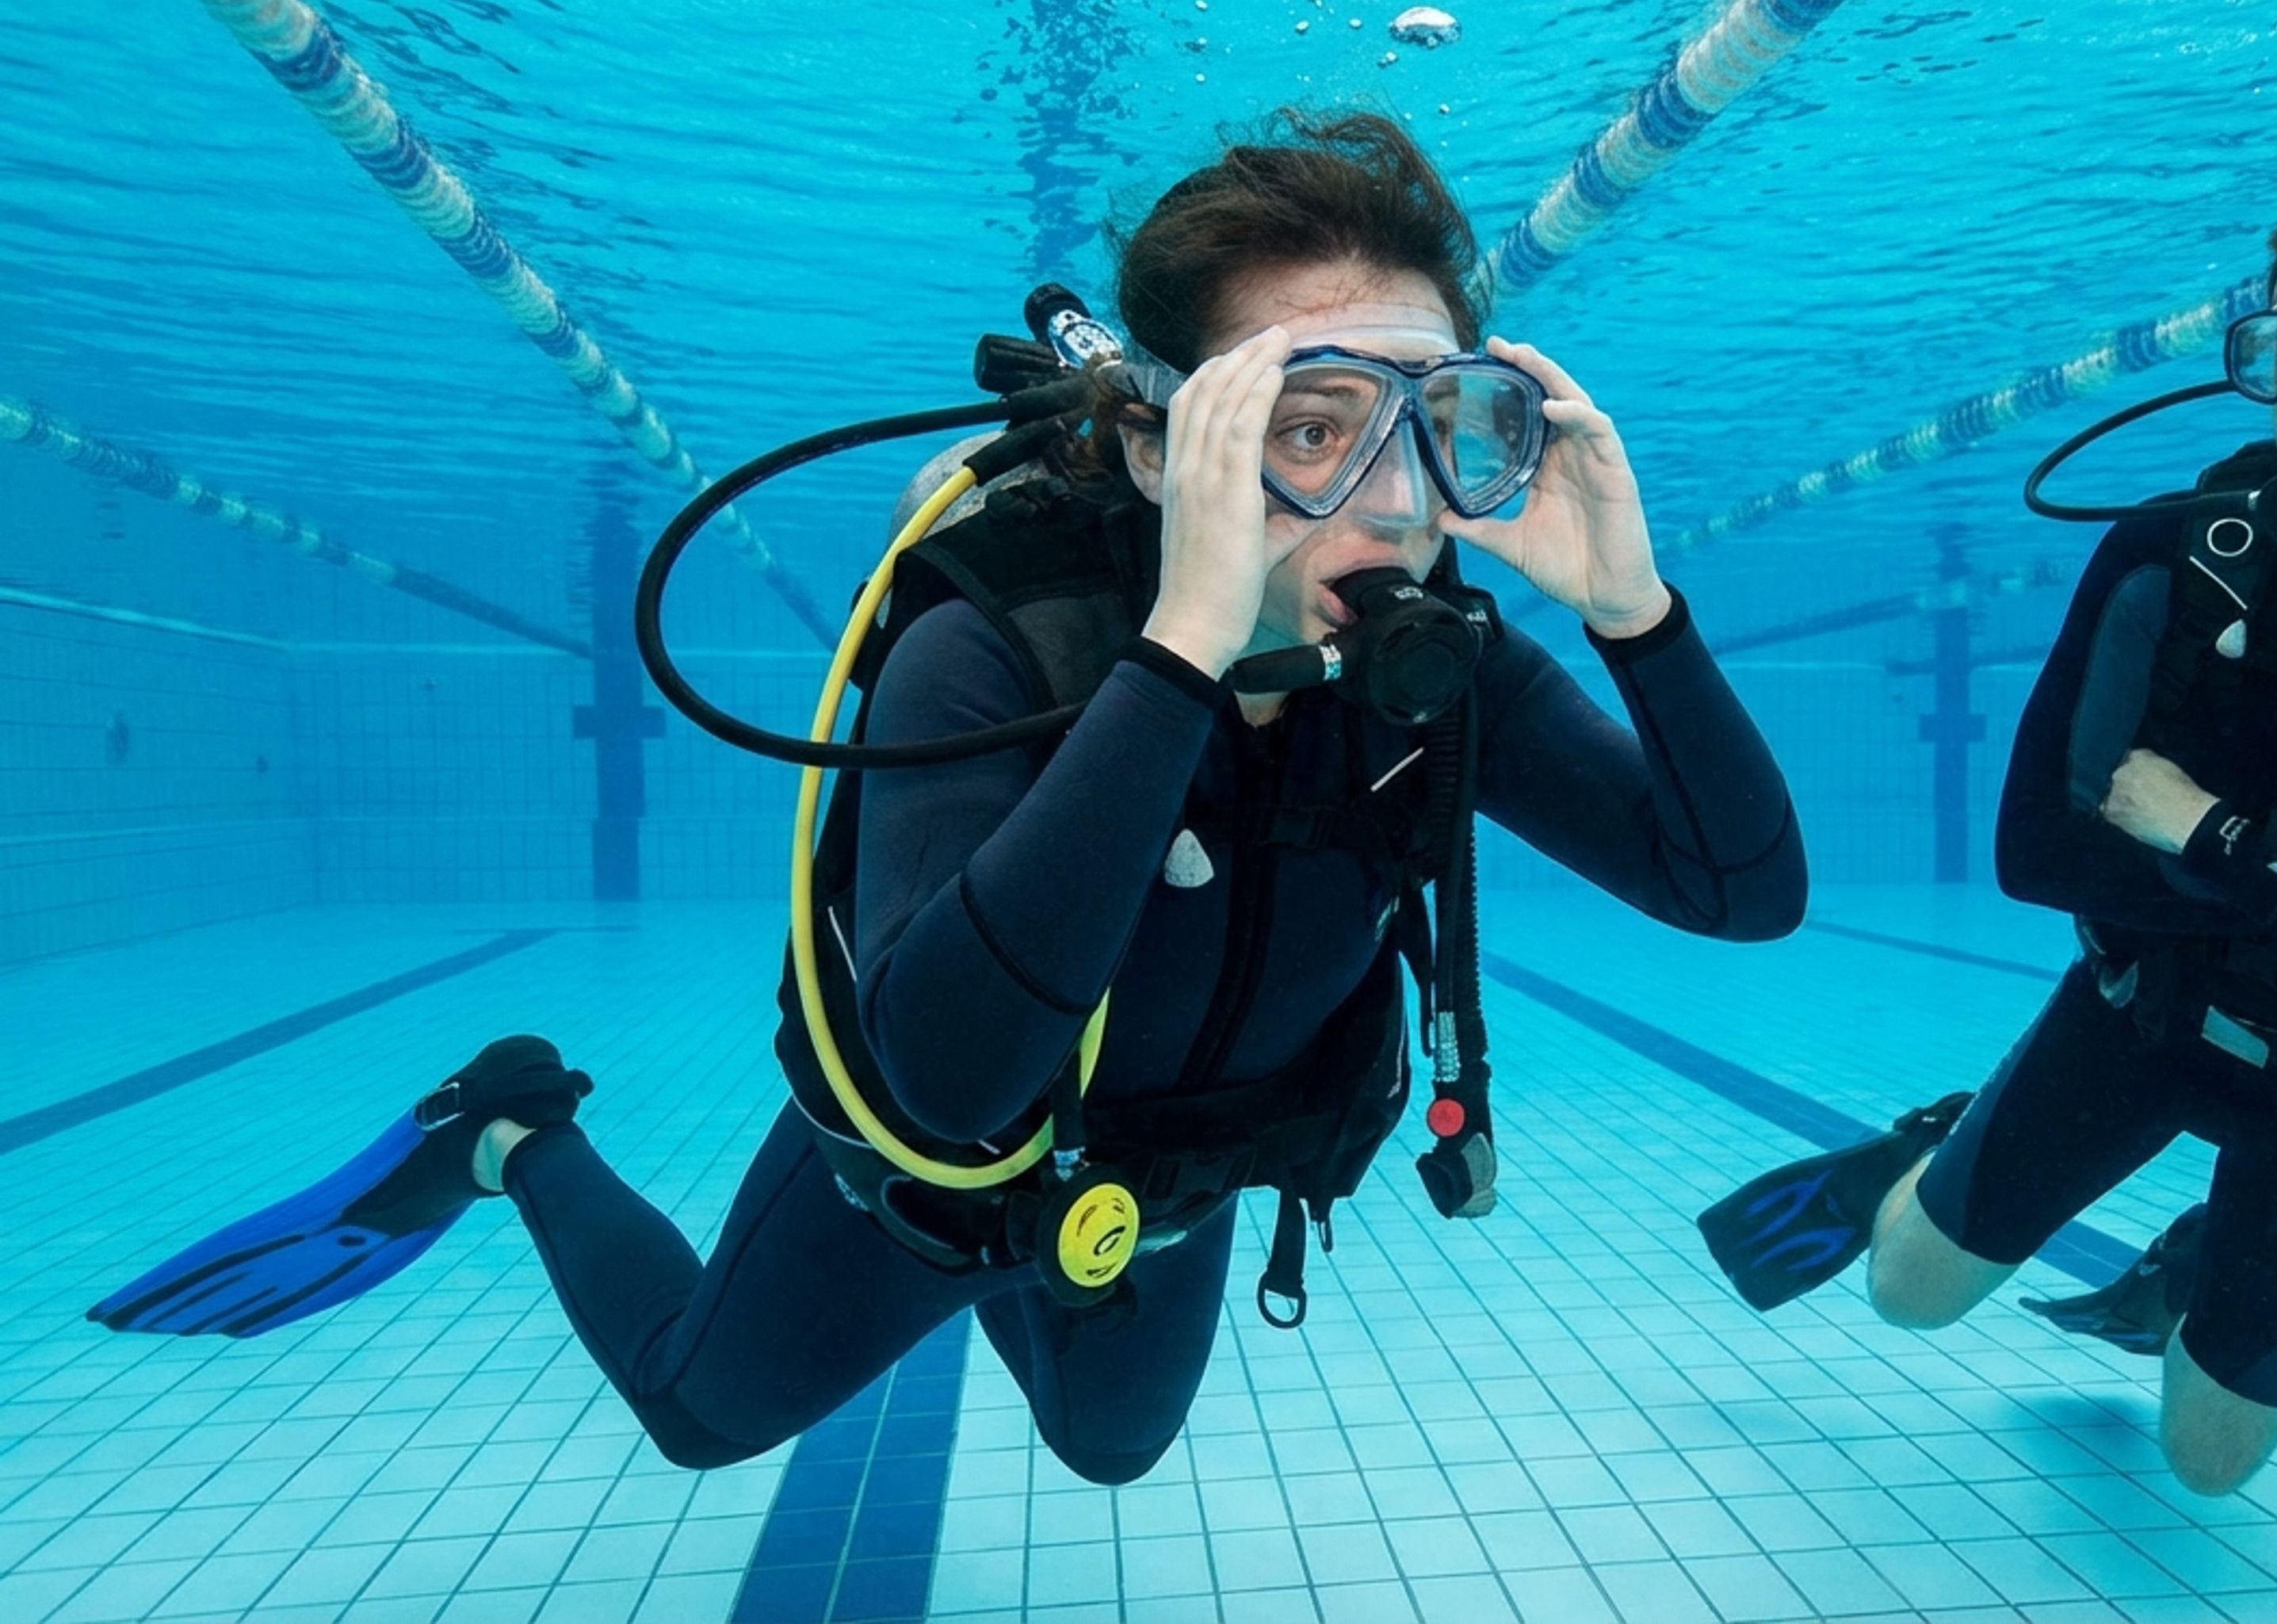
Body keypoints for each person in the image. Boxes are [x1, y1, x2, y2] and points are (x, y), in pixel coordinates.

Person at [91, 109, 1807, 1485]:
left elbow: (1739, 890)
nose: (1394, 496)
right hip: (917, 1182)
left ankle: (1029, 1283)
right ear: (1164, 447)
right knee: (700, 1414)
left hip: (1169, 1182)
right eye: (1310, 425)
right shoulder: (1006, 648)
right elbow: (948, 1069)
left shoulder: (1432, 672)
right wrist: (1189, 644)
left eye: (1440, 424)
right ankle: (510, 1131)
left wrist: (1633, 611)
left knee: (1110, 1447)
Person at [1701, 160, 2277, 1495]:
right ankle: (1936, 1147)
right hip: (2143, 1011)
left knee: (2206, 1465)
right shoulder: (2173, 559)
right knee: (1907, 1296)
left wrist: (2203, 831)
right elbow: (2035, 851)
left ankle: (2192, 1267)